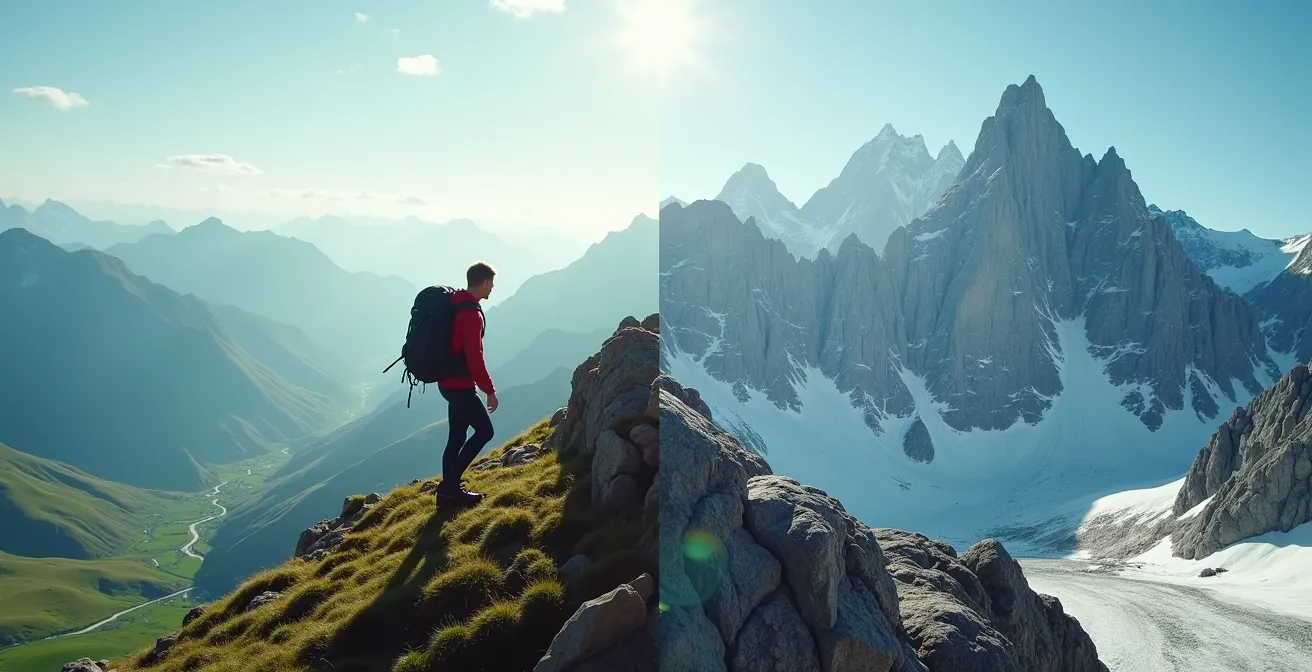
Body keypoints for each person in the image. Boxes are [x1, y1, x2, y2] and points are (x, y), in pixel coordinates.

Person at [435, 261, 499, 506]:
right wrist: (490, 391)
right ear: (484, 282)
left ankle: (448, 494)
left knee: (457, 436)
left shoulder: (454, 304)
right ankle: (449, 486)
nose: (492, 288)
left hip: (446, 381)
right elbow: (475, 357)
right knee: (485, 431)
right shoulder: (470, 314)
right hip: (460, 385)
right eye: (491, 283)